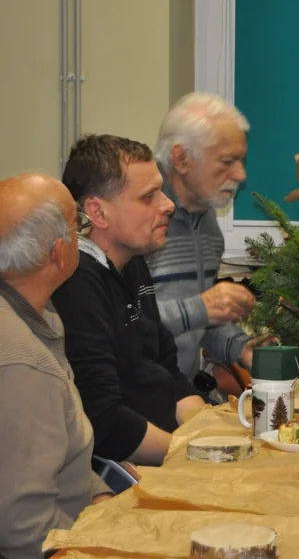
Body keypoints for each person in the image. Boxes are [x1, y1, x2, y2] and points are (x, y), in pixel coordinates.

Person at [52, 135, 207, 467]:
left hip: (166, 448)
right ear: (98, 212)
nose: (168, 205)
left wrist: (209, 433)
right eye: (149, 196)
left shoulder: (132, 263)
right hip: (128, 468)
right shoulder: (76, 284)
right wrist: (195, 454)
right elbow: (104, 421)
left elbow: (167, 367)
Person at [0, 173, 113, 558]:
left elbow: (61, 449)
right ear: (59, 253)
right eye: (77, 226)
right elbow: (25, 531)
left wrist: (100, 497)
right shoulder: (23, 362)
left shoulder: (37, 315)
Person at [147, 93, 262, 386]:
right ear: (181, 158)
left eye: (242, 161)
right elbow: (119, 322)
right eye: (227, 161)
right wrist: (201, 307)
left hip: (178, 392)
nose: (241, 174)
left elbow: (199, 321)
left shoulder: (208, 226)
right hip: (134, 401)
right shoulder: (138, 220)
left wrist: (243, 348)